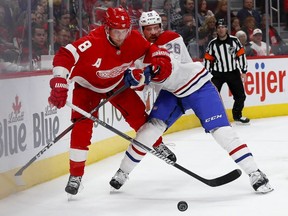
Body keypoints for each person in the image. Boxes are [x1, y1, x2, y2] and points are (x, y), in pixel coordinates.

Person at [109, 10, 273, 194]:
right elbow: (142, 81)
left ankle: (255, 172)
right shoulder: (139, 51)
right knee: (148, 131)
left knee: (222, 132)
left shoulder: (170, 38)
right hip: (172, 92)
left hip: (197, 86)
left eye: (157, 27)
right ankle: (123, 172)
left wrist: (149, 71)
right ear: (142, 30)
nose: (154, 32)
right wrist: (135, 80)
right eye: (149, 29)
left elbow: (170, 65)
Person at [48, 7, 176, 196]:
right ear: (106, 28)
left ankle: (156, 143)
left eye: (125, 31)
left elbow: (152, 52)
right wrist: (59, 80)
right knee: (81, 127)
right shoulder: (92, 41)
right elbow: (65, 55)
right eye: (117, 31)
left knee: (139, 116)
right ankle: (75, 176)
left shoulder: (133, 38)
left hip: (117, 83)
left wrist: (159, 64)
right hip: (87, 86)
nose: (121, 36)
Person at [204, 19, 250, 124]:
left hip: (233, 72)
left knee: (240, 96)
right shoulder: (212, 44)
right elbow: (207, 60)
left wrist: (243, 71)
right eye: (219, 27)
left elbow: (241, 55)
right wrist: (207, 75)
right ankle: (213, 117)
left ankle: (237, 116)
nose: (221, 29)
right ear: (216, 30)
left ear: (227, 28)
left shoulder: (235, 41)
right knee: (213, 96)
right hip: (217, 74)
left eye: (223, 27)